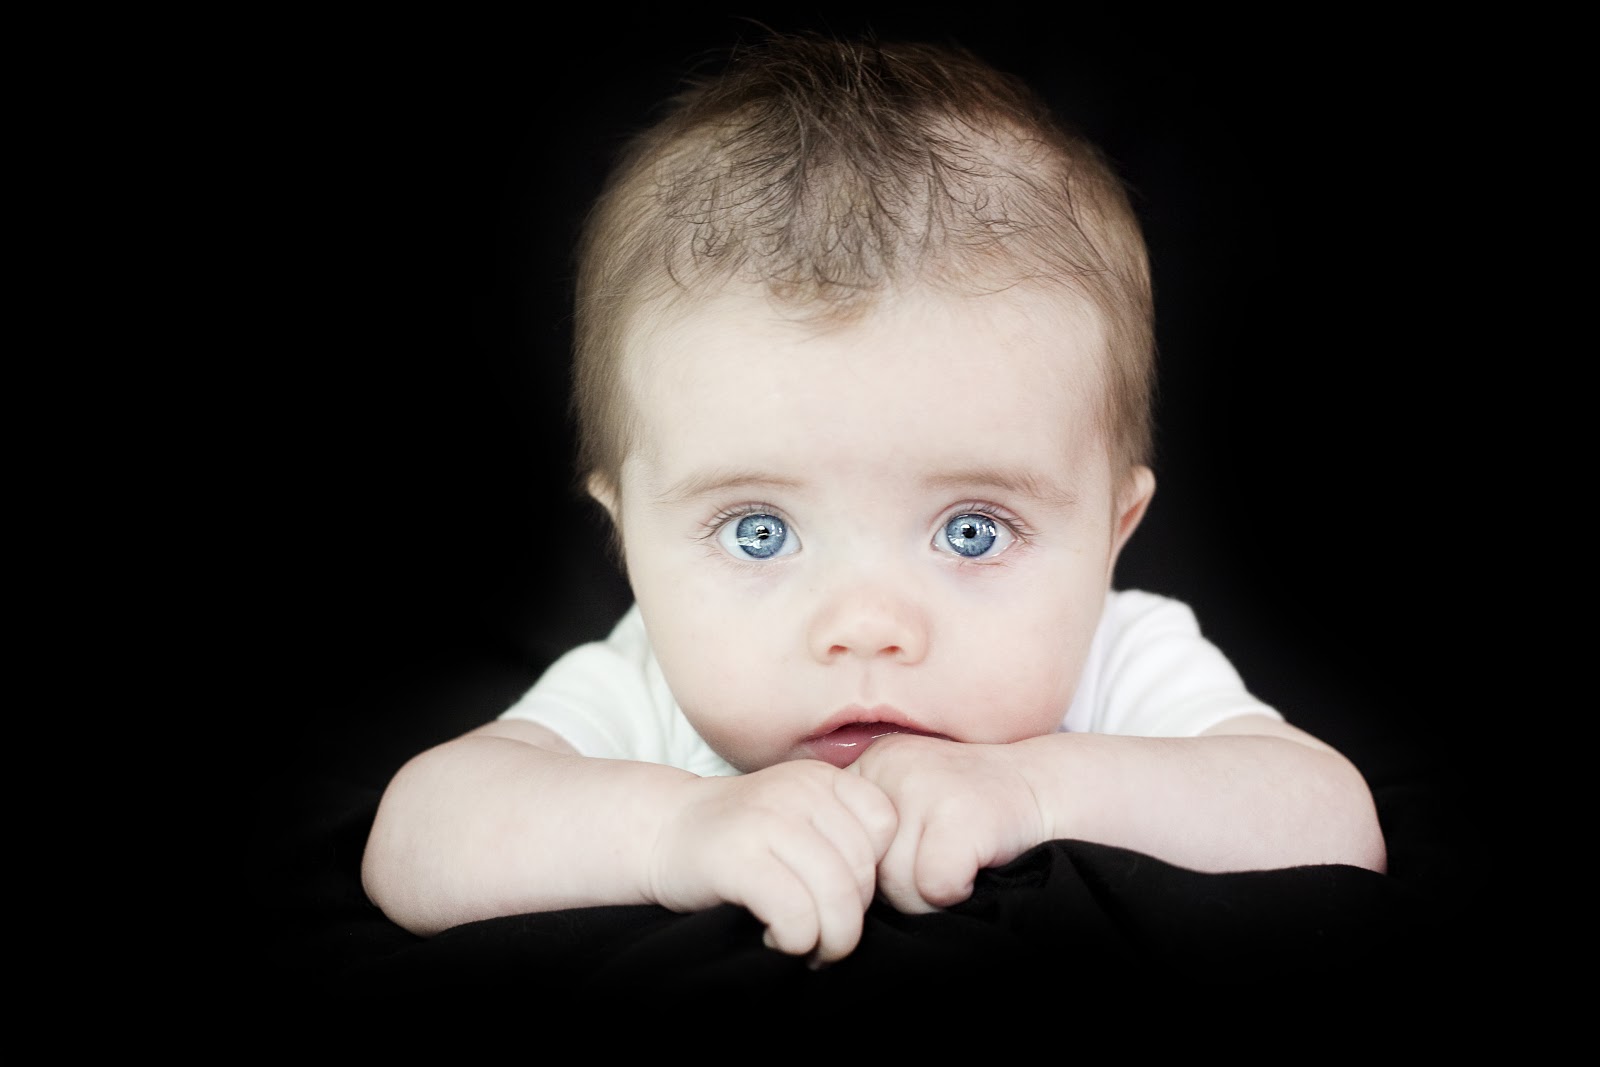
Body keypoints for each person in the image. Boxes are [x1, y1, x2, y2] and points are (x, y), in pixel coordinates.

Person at [360, 31, 1388, 968]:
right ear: (626, 536)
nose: (864, 625)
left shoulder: (1121, 658)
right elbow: (419, 836)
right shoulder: (646, 682)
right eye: (759, 531)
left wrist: (1034, 791)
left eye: (971, 530)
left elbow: (1327, 817)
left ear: (1111, 534)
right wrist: (670, 831)